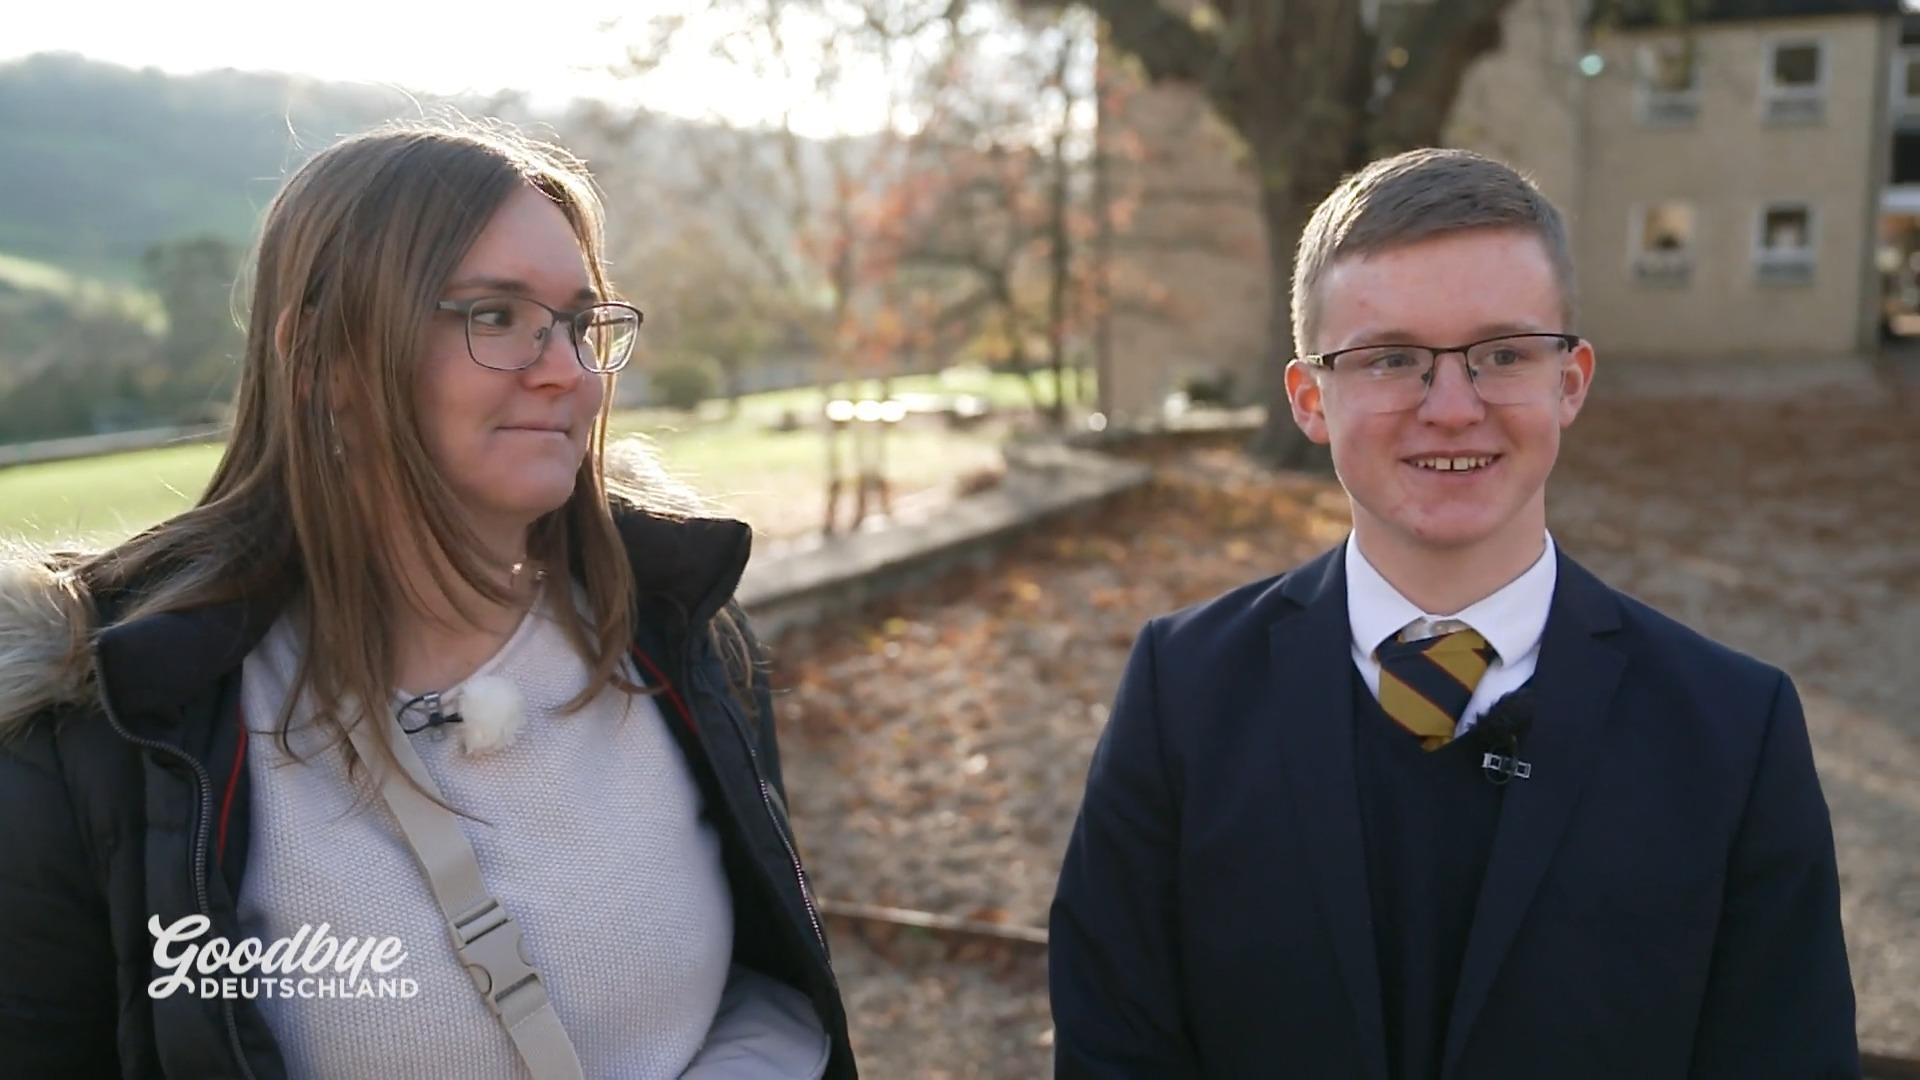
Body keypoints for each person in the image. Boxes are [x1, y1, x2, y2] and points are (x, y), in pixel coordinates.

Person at [0, 121, 852, 1078]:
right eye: (494, 315)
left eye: (580, 322)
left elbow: (768, 974)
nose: (567, 371)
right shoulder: (101, 726)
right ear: (323, 358)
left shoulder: (678, 623)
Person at [1048, 149, 1856, 1078]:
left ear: (1572, 382)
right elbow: (1116, 1052)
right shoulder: (1182, 697)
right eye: (1391, 359)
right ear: (1311, 399)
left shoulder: (1731, 730)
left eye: (1503, 354)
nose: (1452, 408)